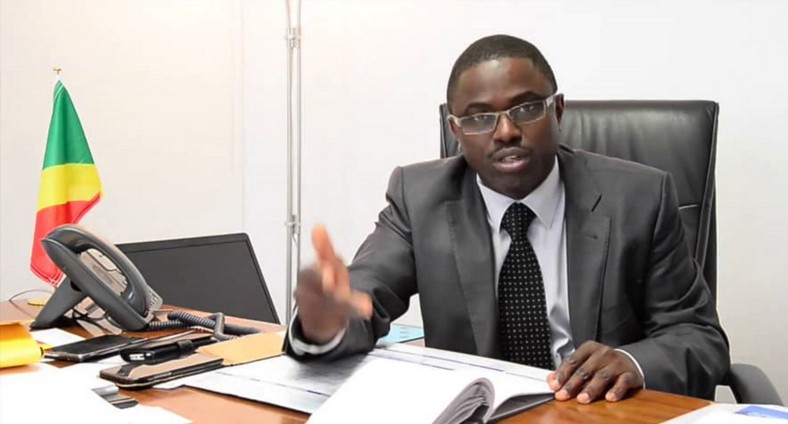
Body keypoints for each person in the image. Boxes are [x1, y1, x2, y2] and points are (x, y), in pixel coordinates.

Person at [286, 34, 730, 403]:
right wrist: (324, 324)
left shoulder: (640, 197)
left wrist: (632, 362)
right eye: (480, 117)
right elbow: (362, 295)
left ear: (557, 111)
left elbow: (698, 337)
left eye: (526, 108)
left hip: (593, 413)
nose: (506, 132)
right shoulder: (419, 198)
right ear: (456, 131)